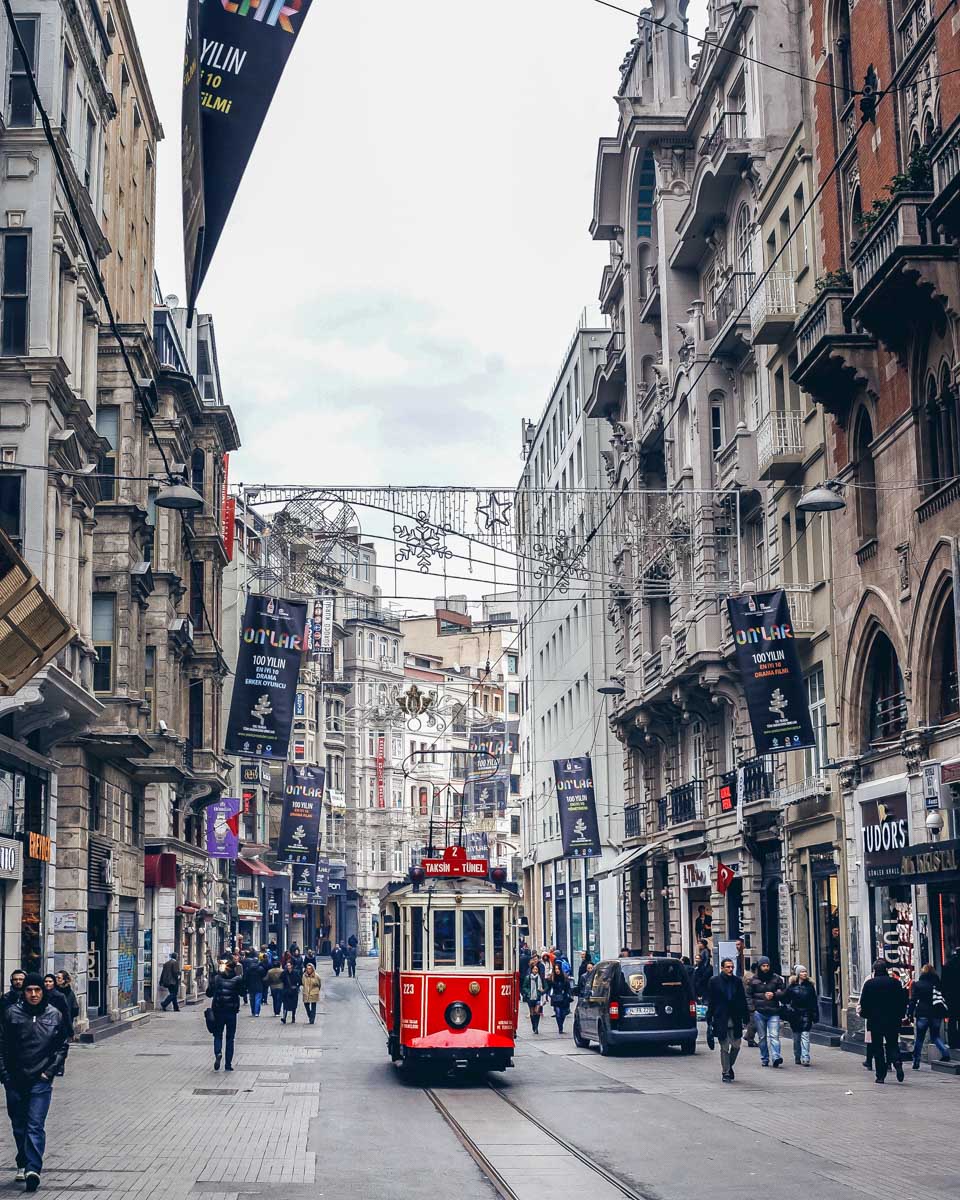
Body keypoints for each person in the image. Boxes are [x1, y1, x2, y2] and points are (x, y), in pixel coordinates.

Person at [0, 972, 69, 1191]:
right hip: (15, 1079)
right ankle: (23, 1161)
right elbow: (1, 1046)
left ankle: (33, 1169)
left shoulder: (54, 1015)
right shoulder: (11, 1014)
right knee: (19, 1125)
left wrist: (48, 1073)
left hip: (40, 1080)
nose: (33, 994)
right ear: (23, 992)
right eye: (29, 990)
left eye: (37, 990)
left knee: (34, 1124)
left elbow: (61, 1046)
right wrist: (5, 1075)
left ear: (43, 991)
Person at [859, 959, 907, 1083]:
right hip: (892, 1020)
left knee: (877, 1047)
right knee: (892, 1043)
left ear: (874, 971)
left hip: (875, 1021)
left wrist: (866, 1014)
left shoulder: (869, 984)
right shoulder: (895, 983)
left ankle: (880, 1075)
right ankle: (897, 1061)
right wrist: (901, 1016)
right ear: (886, 970)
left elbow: (864, 1002)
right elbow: (902, 1001)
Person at [705, 957, 750, 1083]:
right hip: (721, 1018)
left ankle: (729, 1066)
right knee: (724, 1047)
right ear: (722, 968)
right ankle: (726, 1072)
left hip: (735, 1017)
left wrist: (746, 1016)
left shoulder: (737, 981)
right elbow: (711, 1001)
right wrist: (709, 1017)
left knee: (736, 1046)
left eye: (732, 967)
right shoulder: (714, 981)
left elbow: (742, 999)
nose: (730, 969)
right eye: (728, 967)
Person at [205, 957, 246, 1072]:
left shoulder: (217, 978)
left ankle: (218, 1052)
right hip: (231, 1012)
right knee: (230, 1038)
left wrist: (212, 980)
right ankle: (228, 1064)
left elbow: (209, 994)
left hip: (218, 1011)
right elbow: (243, 993)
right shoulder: (237, 979)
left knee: (218, 1035)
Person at [909, 962, 951, 1068]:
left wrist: (909, 1013)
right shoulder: (938, 984)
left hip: (922, 1013)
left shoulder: (918, 984)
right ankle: (945, 1051)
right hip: (936, 1013)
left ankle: (916, 1061)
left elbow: (913, 1000)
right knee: (935, 1036)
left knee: (919, 1038)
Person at [747, 957, 786, 1067]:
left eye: (767, 966)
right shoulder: (753, 980)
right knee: (762, 1037)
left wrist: (774, 995)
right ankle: (765, 1058)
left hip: (773, 1011)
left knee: (774, 1036)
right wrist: (752, 1009)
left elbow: (784, 993)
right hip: (759, 1012)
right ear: (759, 967)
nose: (766, 968)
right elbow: (748, 996)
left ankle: (776, 1057)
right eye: (763, 966)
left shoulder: (776, 979)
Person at [784, 965, 818, 1066]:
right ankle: (797, 1055)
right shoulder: (791, 987)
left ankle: (805, 1057)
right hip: (795, 1014)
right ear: (798, 974)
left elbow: (813, 1001)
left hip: (806, 1013)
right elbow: (786, 999)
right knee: (796, 1037)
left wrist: (815, 1014)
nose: (804, 973)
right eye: (802, 972)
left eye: (805, 971)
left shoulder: (810, 987)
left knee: (805, 1035)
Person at [940, 946, 960, 1050]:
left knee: (952, 1019)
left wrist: (944, 995)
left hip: (951, 996)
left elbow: (943, 983)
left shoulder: (948, 965)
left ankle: (953, 1042)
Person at [41, 978, 72, 1042]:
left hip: (56, 1026)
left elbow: (66, 1013)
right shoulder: (40, 995)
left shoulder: (60, 996)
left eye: (50, 981)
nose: (47, 983)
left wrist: (70, 1031)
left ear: (54, 983)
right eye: (46, 981)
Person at [521, 957, 547, 1034]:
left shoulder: (541, 978)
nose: (535, 971)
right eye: (534, 969)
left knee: (537, 1011)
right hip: (530, 997)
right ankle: (533, 1025)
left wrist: (543, 990)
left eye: (536, 969)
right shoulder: (528, 978)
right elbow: (524, 987)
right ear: (531, 970)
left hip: (538, 996)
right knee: (532, 1012)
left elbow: (546, 986)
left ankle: (536, 1027)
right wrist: (528, 992)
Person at [547, 960, 573, 1034]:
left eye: (558, 969)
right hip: (556, 998)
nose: (557, 971)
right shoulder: (552, 979)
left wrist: (569, 994)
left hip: (564, 998)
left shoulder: (565, 978)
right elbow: (548, 988)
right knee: (558, 1013)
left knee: (563, 1013)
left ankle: (561, 1024)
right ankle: (560, 1028)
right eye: (555, 969)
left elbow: (568, 988)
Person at [243, 952, 266, 1017]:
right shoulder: (261, 969)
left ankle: (253, 1011)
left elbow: (246, 978)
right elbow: (263, 977)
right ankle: (257, 1012)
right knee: (258, 999)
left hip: (251, 986)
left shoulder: (248, 969)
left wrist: (246, 985)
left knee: (252, 999)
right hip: (259, 986)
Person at [280, 959, 301, 1024]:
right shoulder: (284, 973)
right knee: (285, 1004)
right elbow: (281, 980)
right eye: (287, 965)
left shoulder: (296, 972)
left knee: (294, 1005)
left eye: (289, 965)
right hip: (286, 991)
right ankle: (284, 1017)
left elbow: (299, 981)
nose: (288, 966)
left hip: (294, 992)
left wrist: (297, 987)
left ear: (292, 965)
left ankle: (293, 1017)